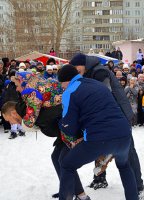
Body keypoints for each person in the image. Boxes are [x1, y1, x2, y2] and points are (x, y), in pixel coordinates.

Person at [2, 71, 90, 200]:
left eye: (8, 119)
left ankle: (77, 195)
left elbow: (32, 120)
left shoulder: (30, 93)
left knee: (63, 161)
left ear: (13, 113)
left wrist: (29, 124)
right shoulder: (33, 90)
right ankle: (70, 191)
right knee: (57, 157)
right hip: (67, 125)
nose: (17, 89)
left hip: (74, 125)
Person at [70, 53, 144, 199]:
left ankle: (138, 186)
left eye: (76, 67)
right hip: (105, 118)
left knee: (128, 152)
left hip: (119, 116)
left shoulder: (100, 72)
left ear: (83, 64)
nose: (74, 70)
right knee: (98, 143)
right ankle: (100, 179)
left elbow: (102, 94)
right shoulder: (86, 74)